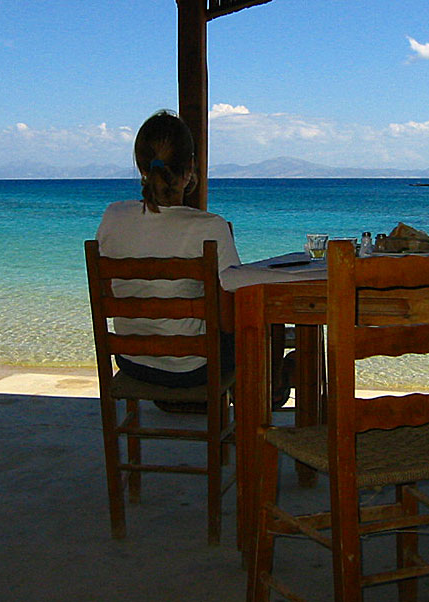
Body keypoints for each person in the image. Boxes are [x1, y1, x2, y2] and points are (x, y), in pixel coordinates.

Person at [95, 110, 294, 410]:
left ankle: (196, 400)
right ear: (190, 168)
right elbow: (228, 321)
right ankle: (271, 390)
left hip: (133, 360)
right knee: (261, 324)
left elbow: (111, 291)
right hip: (191, 368)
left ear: (140, 166)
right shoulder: (210, 226)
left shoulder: (112, 216)